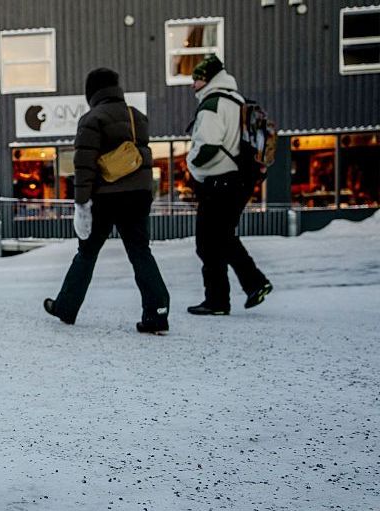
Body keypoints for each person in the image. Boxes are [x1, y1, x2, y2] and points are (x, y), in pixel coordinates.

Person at [43, 68, 171, 334]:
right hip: (137, 195)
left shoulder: (92, 119)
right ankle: (157, 311)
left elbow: (84, 165)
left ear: (92, 92)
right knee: (140, 252)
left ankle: (66, 307)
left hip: (106, 196)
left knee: (87, 253)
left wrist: (81, 204)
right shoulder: (137, 118)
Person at [185, 55, 272, 315]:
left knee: (207, 241)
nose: (193, 84)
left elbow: (208, 146)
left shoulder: (213, 104)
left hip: (219, 181)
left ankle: (220, 299)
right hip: (239, 180)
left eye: (197, 78)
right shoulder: (237, 101)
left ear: (209, 79)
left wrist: (192, 166)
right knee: (222, 237)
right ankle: (249, 286)